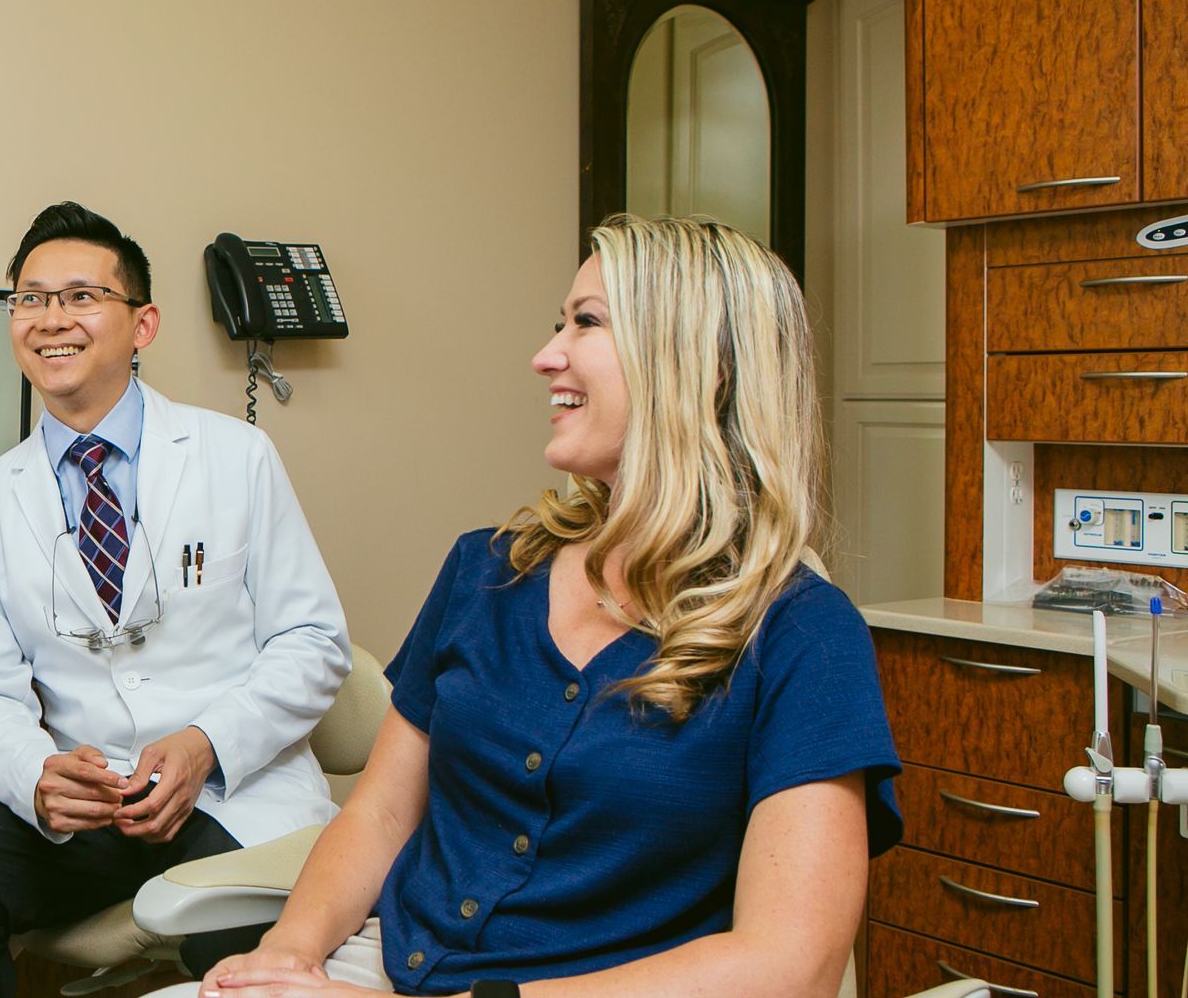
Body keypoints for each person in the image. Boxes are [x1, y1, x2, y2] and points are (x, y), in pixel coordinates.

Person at [163, 214, 903, 998]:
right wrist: (289, 952)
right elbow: (378, 818)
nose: (546, 355)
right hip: (384, 966)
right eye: (560, 323)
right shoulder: (486, 571)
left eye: (586, 323)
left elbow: (792, 964)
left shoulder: (803, 635)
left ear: (699, 367)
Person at [0, 202, 352, 995]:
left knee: (239, 947)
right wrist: (37, 776)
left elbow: (313, 640)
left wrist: (205, 742)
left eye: (80, 296)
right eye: (30, 299)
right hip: (89, 802)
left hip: (233, 792)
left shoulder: (236, 456)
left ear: (143, 325)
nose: (50, 319)